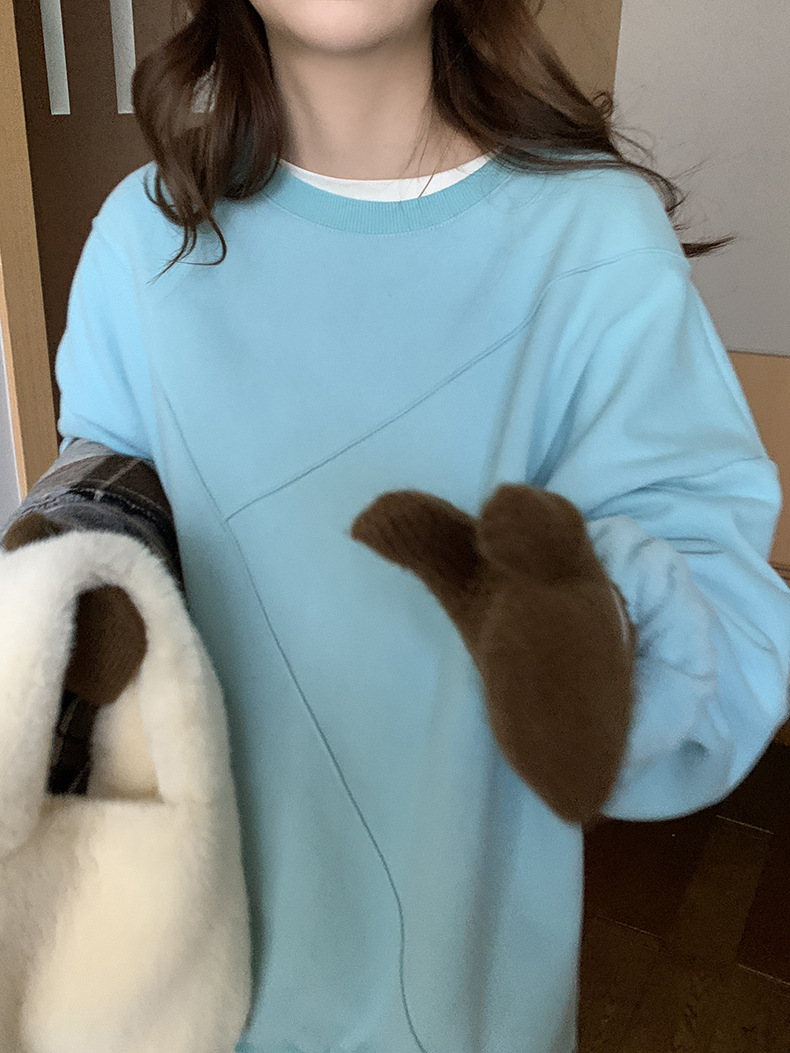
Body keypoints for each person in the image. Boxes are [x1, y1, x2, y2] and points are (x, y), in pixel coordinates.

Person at [4, 1, 790, 1050]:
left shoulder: (598, 243)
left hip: (466, 1006)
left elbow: (723, 607)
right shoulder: (141, 237)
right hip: (176, 992)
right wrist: (71, 563)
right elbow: (105, 472)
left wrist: (597, 640)